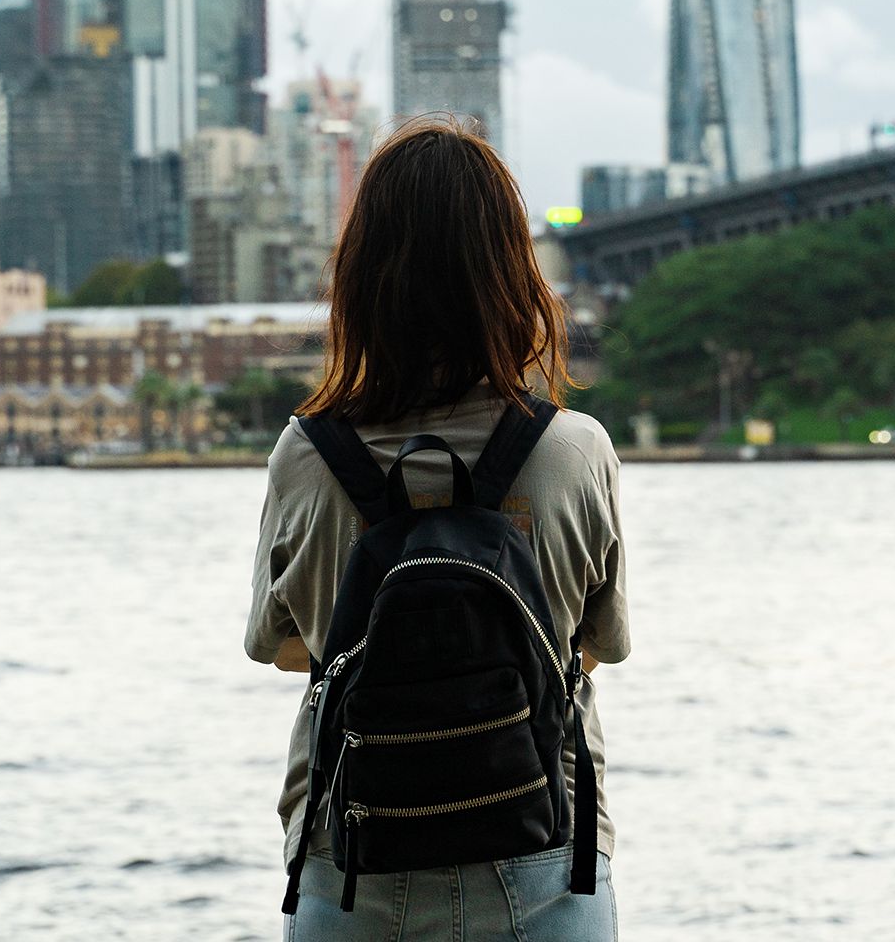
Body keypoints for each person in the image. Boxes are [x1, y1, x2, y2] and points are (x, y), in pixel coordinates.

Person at [246, 115, 630, 940]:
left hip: (350, 861)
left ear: (359, 278)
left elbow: (280, 648)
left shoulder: (307, 455)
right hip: (545, 861)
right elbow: (598, 644)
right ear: (513, 272)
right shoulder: (573, 449)